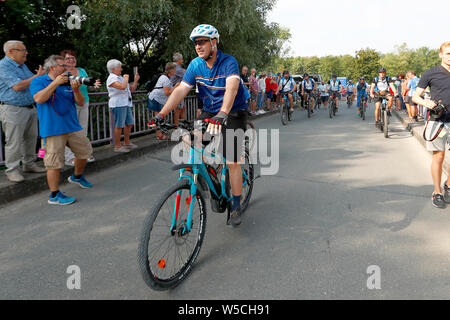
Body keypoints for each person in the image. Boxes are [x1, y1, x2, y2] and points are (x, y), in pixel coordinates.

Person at [150, 24, 249, 227]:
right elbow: (180, 91)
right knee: (189, 140)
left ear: (214, 43)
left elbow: (231, 87)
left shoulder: (229, 62)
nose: (198, 46)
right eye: (196, 43)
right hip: (210, 112)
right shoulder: (195, 65)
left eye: (202, 42)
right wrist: (162, 114)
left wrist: (223, 113)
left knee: (232, 161)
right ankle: (205, 174)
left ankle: (236, 205)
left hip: (233, 111)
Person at [29, 55, 93, 205]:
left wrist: (76, 90)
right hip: (52, 129)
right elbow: (39, 99)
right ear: (52, 68)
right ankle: (54, 195)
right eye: (62, 66)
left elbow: (81, 103)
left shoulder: (68, 81)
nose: (66, 68)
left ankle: (77, 176)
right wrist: (55, 83)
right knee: (53, 163)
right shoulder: (39, 81)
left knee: (85, 152)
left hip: (72, 126)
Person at [0, 40, 46, 182]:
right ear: (11, 51)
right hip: (13, 109)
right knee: (14, 141)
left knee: (31, 138)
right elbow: (18, 86)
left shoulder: (22, 66)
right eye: (23, 50)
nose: (26, 53)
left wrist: (39, 77)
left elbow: (30, 82)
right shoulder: (3, 66)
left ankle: (29, 164)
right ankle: (12, 170)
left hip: (29, 107)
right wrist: (36, 77)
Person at [412, 41, 450, 209]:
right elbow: (415, 96)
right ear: (441, 55)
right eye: (448, 53)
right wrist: (427, 104)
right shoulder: (431, 73)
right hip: (438, 121)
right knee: (439, 156)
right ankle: (437, 192)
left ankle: (448, 185)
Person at [60, 49, 101, 166]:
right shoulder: (62, 72)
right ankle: (69, 157)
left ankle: (83, 154)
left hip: (83, 102)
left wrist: (94, 85)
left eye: (73, 58)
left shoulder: (81, 70)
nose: (72, 60)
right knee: (69, 130)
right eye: (68, 58)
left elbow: (87, 85)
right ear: (63, 61)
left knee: (82, 129)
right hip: (69, 104)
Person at [106, 59, 140, 152]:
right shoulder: (111, 78)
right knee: (119, 125)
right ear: (113, 69)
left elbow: (131, 89)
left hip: (125, 103)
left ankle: (126, 142)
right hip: (118, 104)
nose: (121, 69)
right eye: (120, 67)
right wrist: (126, 79)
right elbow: (122, 86)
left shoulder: (120, 77)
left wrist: (136, 80)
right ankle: (117, 146)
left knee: (130, 123)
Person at [147, 62, 179, 139]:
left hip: (156, 99)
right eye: (174, 70)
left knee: (159, 117)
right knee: (159, 117)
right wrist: (176, 87)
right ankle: (159, 135)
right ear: (171, 70)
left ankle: (159, 133)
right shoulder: (165, 79)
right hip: (156, 99)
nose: (175, 71)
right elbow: (167, 93)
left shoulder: (164, 77)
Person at [171, 52, 186, 127]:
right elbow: (187, 75)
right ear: (179, 59)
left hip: (176, 90)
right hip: (177, 91)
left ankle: (183, 126)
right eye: (182, 59)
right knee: (178, 109)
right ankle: (177, 127)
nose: (182, 60)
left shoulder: (173, 66)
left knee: (182, 108)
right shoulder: (177, 68)